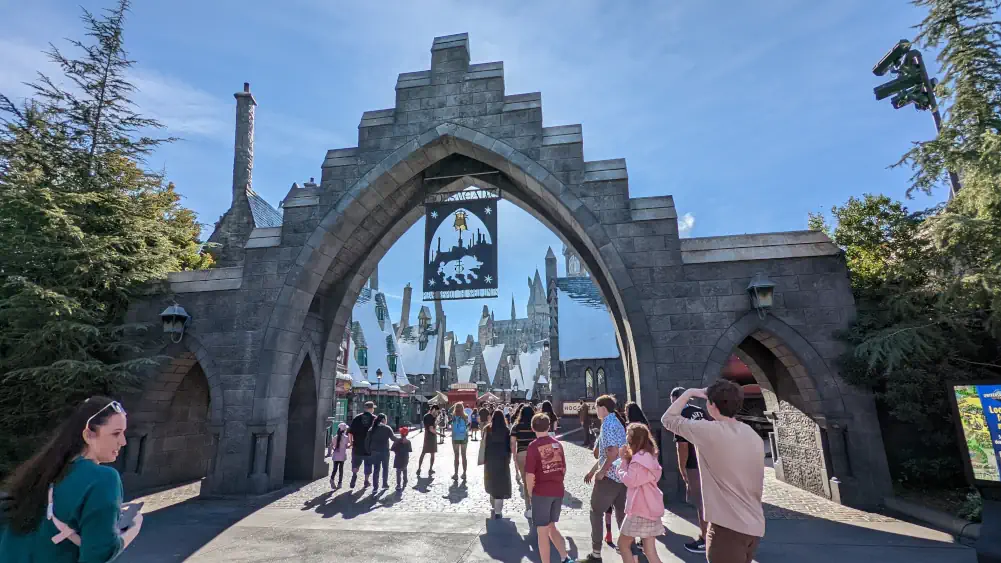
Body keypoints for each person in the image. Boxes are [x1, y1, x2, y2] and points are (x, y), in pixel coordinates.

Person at [0, 397, 142, 563]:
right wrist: (133, 529)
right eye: (116, 433)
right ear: (88, 434)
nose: (123, 441)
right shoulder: (104, 479)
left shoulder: (44, 469)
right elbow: (98, 555)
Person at [662, 381, 765, 563]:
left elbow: (668, 419)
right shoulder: (752, 434)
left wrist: (690, 392)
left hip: (727, 527)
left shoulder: (709, 431)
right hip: (754, 526)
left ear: (712, 405)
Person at [583, 395, 628, 563]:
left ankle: (595, 554)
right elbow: (606, 454)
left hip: (609, 478)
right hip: (622, 477)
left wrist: (601, 471)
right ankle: (629, 551)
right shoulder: (617, 421)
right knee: (622, 515)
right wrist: (592, 470)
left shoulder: (607, 424)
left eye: (596, 407)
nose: (596, 411)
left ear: (603, 408)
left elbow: (612, 452)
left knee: (596, 511)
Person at [525, 413, 575, 563]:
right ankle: (565, 557)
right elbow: (563, 469)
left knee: (542, 532)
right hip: (557, 490)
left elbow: (529, 475)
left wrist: (530, 494)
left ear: (532, 428)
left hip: (541, 492)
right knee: (551, 527)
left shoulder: (533, 446)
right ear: (549, 426)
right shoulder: (557, 444)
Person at [615, 423, 665, 563]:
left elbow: (630, 481)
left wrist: (623, 462)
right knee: (650, 551)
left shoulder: (638, 461)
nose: (626, 438)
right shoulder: (650, 456)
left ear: (635, 438)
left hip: (639, 509)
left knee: (623, 545)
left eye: (628, 435)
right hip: (651, 508)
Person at [670, 386, 710, 553]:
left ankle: (705, 538)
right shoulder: (700, 411)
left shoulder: (680, 416)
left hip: (694, 464)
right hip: (710, 461)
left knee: (701, 503)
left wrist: (682, 469)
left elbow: (682, 447)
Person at [483, 409, 512, 519]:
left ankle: (493, 504)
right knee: (501, 483)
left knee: (491, 481)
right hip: (502, 459)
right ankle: (498, 511)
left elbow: (484, 444)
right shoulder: (506, 430)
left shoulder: (487, 429)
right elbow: (509, 446)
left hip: (490, 459)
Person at [510, 405, 537, 519]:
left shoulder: (516, 426)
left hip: (521, 454)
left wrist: (514, 456)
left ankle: (528, 507)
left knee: (526, 483)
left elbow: (512, 443)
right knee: (536, 481)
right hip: (535, 455)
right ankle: (537, 506)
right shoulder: (535, 426)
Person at [367, 413, 399, 490]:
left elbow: (367, 441)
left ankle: (375, 487)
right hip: (384, 451)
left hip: (374, 452)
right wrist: (401, 440)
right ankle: (384, 484)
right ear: (384, 420)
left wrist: (369, 451)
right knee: (385, 468)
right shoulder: (387, 428)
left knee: (376, 469)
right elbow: (393, 439)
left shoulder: (372, 429)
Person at [348, 401, 376, 488]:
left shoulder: (357, 418)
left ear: (365, 408)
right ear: (371, 409)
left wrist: (351, 443)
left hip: (357, 446)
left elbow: (350, 433)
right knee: (368, 465)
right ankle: (366, 481)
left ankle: (354, 475)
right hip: (369, 448)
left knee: (355, 463)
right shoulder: (374, 419)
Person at [418, 405, 440, 477]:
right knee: (431, 453)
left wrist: (436, 420)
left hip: (427, 435)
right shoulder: (430, 417)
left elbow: (433, 425)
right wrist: (439, 434)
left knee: (424, 453)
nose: (437, 413)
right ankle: (430, 469)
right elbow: (431, 429)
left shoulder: (427, 416)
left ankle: (419, 468)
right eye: (436, 411)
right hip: (431, 435)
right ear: (433, 409)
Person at [451, 403, 470, 481]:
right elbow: (468, 427)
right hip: (464, 437)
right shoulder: (466, 416)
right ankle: (464, 474)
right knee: (464, 455)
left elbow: (452, 427)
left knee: (456, 455)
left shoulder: (453, 416)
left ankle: (456, 474)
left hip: (455, 437)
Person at [391, 426, 413, 491]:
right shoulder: (408, 442)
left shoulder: (397, 441)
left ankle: (398, 485)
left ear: (400, 433)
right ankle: (405, 480)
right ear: (407, 434)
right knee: (405, 469)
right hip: (405, 457)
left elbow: (392, 448)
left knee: (398, 471)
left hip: (398, 457)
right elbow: (409, 450)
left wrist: (396, 451)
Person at [329, 422, 350, 489]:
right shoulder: (346, 437)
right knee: (341, 470)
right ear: (344, 430)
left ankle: (332, 479)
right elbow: (346, 446)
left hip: (335, 455)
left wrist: (334, 449)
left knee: (334, 469)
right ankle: (339, 483)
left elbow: (331, 446)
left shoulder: (335, 437)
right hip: (342, 456)